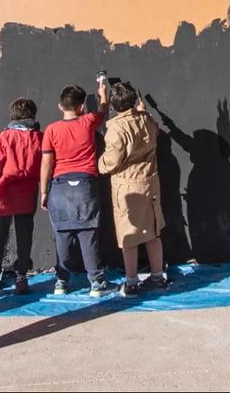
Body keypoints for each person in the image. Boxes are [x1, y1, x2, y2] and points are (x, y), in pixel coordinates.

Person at [39, 83, 112, 296]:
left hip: (59, 187)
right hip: (85, 185)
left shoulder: (51, 130)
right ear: (81, 107)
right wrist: (102, 93)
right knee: (88, 235)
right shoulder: (88, 121)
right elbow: (103, 112)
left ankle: (61, 282)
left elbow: (46, 163)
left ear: (60, 106)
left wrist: (44, 191)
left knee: (62, 235)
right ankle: (96, 283)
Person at [98, 81, 169, 297]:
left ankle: (131, 282)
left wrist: (99, 163)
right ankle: (157, 277)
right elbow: (154, 129)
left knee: (129, 236)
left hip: (127, 186)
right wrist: (143, 112)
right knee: (153, 232)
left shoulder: (116, 129)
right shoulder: (147, 121)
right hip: (150, 182)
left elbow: (111, 162)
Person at [0, 97, 43, 298]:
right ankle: (22, 277)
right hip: (27, 193)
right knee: (24, 237)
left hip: (3, 194)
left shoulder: (6, 137)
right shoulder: (40, 137)